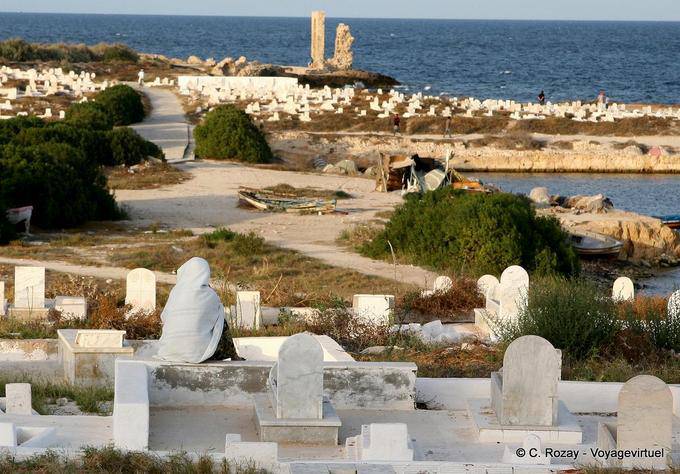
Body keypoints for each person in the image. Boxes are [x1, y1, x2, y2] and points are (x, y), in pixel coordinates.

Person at [156, 257, 228, 364]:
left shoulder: (176, 292)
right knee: (221, 316)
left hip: (169, 352)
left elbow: (164, 317)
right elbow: (216, 322)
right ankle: (226, 354)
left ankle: (176, 347)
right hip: (198, 354)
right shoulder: (210, 295)